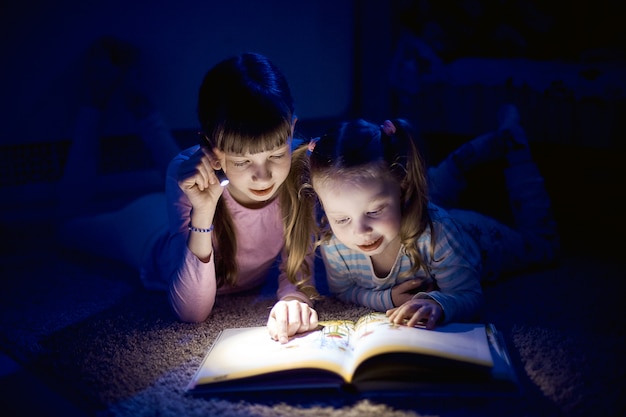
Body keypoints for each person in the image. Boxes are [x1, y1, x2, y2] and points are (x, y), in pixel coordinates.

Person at [57, 38, 320, 343]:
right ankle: (97, 95)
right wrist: (204, 209)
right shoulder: (190, 177)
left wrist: (292, 298)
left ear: (291, 130)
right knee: (67, 229)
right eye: (243, 160)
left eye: (276, 154)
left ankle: (139, 104)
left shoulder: (300, 167)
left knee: (185, 169)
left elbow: (298, 270)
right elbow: (191, 311)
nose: (263, 176)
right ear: (213, 149)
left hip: (196, 185)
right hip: (148, 232)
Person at [302, 108, 559, 329]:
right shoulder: (332, 243)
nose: (360, 231)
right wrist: (389, 298)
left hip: (475, 237)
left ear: (403, 187)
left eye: (373, 212)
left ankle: (512, 140)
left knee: (543, 245)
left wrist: (438, 303)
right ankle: (482, 149)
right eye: (342, 219)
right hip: (410, 210)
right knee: (435, 182)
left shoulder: (439, 232)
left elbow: (468, 294)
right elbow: (343, 291)